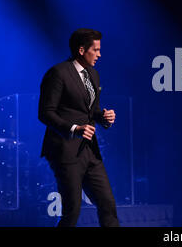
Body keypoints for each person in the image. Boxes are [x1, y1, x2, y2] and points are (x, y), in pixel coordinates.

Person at [38, 28, 119, 227]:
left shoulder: (93, 74)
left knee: (108, 204)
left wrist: (104, 116)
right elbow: (45, 113)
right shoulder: (58, 73)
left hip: (90, 151)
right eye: (96, 50)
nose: (100, 54)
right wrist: (74, 128)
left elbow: (90, 111)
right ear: (82, 50)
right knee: (72, 211)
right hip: (65, 151)